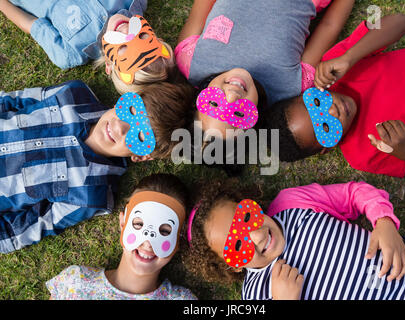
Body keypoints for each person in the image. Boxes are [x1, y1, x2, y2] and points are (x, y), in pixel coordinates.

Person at [0, 79, 192, 253]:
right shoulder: (74, 94)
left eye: (140, 136)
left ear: (141, 157)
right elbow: (12, 101)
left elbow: (25, 228)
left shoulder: (90, 194)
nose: (120, 127)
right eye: (132, 111)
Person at [183, 179, 405, 300]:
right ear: (232, 266)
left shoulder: (292, 203)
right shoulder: (255, 294)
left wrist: (384, 223)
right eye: (238, 245)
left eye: (246, 216)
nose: (256, 234)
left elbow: (355, 193)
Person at [263, 19, 405, 177]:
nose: (333, 111)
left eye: (317, 103)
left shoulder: (335, 63)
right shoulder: (363, 154)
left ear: (308, 93)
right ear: (326, 148)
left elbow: (400, 21)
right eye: (326, 126)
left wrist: (350, 57)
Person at [173, 0, 356, 138]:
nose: (232, 95)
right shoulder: (288, 87)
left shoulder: (190, 60)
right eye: (238, 113)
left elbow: (201, 5)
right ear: (255, 122)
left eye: (214, 103)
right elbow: (329, 26)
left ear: (197, 100)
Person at [46, 173, 197, 300]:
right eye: (139, 224)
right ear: (123, 223)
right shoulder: (75, 282)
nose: (148, 243)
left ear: (179, 238)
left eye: (164, 231)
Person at [0, 1, 177, 94]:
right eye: (143, 37)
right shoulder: (135, 2)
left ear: (109, 65)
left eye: (123, 49)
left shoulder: (70, 52)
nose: (125, 30)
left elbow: (31, 23)